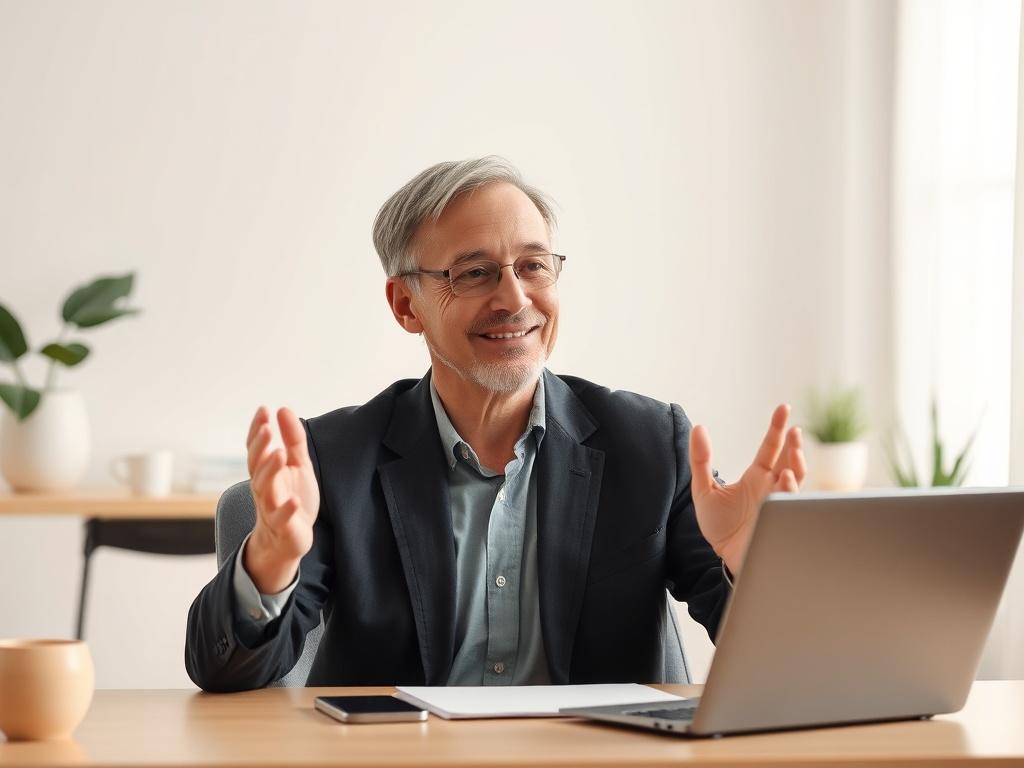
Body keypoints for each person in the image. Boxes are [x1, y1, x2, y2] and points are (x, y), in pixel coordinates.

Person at [185, 156, 805, 692]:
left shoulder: (648, 445)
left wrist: (755, 568)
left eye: (533, 265)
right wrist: (270, 560)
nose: (514, 299)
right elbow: (227, 672)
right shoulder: (337, 458)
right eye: (474, 273)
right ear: (406, 304)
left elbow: (785, 665)